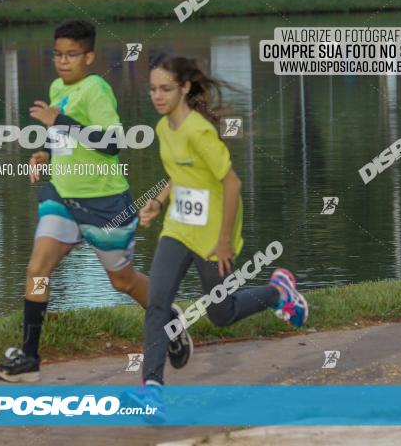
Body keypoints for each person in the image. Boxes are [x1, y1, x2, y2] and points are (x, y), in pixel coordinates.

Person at [0, 21, 189, 383]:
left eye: (71, 55)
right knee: (37, 271)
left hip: (105, 203)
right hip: (62, 198)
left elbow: (112, 143)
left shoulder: (97, 89)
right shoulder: (55, 87)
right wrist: (44, 152)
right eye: (58, 54)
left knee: (123, 281)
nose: (63, 62)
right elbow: (60, 135)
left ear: (89, 56)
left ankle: (170, 321)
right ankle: (30, 358)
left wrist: (59, 120)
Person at [127, 53, 309, 420]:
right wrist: (158, 202)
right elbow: (178, 174)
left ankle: (278, 292)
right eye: (152, 89)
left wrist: (224, 240)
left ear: (185, 88)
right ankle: (152, 390)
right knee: (158, 300)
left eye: (165, 89)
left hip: (213, 234)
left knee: (221, 314)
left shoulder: (199, 131)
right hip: (178, 229)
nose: (157, 96)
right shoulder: (164, 129)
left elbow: (232, 183)